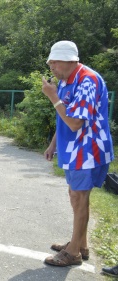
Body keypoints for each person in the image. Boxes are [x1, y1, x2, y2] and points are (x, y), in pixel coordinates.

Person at [42, 41, 114, 267]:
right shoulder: (65, 81)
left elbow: (74, 122)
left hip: (88, 149)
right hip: (74, 149)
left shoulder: (87, 80)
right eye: (50, 62)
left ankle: (73, 253)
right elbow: (63, 117)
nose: (51, 66)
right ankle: (80, 244)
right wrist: (53, 143)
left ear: (71, 60)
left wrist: (53, 97)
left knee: (79, 197)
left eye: (55, 61)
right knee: (76, 196)